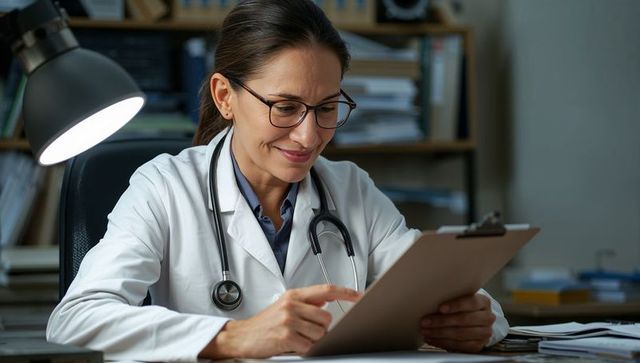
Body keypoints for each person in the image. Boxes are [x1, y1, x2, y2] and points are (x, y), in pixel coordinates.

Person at [46, 0, 508, 361]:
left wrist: (479, 319)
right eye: (285, 107)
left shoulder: (351, 190)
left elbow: (440, 286)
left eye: (327, 108)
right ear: (225, 96)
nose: (309, 137)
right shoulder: (165, 188)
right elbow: (76, 320)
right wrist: (231, 337)